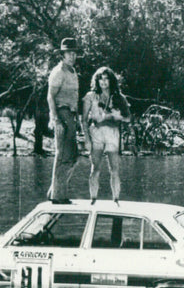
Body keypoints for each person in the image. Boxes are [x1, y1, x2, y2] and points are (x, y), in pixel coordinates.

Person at [82, 66, 131, 204]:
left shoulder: (118, 97)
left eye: (106, 79)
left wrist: (116, 116)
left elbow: (128, 118)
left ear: (111, 81)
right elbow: (84, 119)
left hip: (112, 135)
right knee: (95, 168)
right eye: (100, 79)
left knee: (114, 169)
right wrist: (86, 138)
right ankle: (93, 200)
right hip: (96, 134)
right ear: (96, 81)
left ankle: (116, 200)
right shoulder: (91, 97)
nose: (103, 82)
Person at [47, 38, 81, 204]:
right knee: (63, 154)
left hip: (71, 115)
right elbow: (50, 96)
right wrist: (55, 120)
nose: (72, 56)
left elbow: (75, 98)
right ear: (62, 55)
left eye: (74, 53)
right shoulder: (58, 72)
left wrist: (78, 119)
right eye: (69, 53)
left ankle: (55, 191)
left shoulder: (72, 72)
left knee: (73, 155)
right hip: (62, 113)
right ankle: (57, 196)